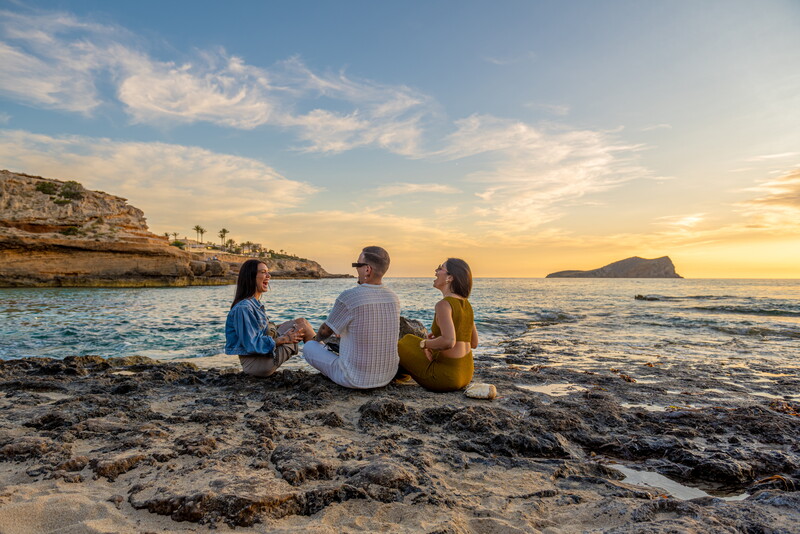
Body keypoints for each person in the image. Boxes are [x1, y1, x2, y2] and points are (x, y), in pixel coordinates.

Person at [302, 246, 400, 389]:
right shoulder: (393, 297)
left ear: (367, 269)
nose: (356, 269)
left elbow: (325, 331)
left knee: (309, 347)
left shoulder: (350, 296)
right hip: (387, 376)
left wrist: (316, 341)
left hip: (353, 378)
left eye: (357, 265)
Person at [397, 258, 478, 392]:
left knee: (401, 345)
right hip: (466, 375)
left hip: (445, 378)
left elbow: (448, 341)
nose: (436, 271)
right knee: (410, 339)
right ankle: (403, 373)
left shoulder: (443, 305)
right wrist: (436, 339)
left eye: (440, 268)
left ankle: (396, 376)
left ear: (450, 277)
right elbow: (474, 343)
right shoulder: (467, 305)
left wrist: (425, 344)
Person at [225, 259, 315, 377]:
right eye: (263, 272)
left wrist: (277, 327)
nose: (268, 276)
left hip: (261, 358)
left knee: (301, 322)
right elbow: (252, 344)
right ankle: (325, 361)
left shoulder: (252, 304)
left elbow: (259, 331)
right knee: (302, 327)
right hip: (258, 364)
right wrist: (285, 338)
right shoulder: (244, 308)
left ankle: (324, 354)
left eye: (268, 272)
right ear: (251, 277)